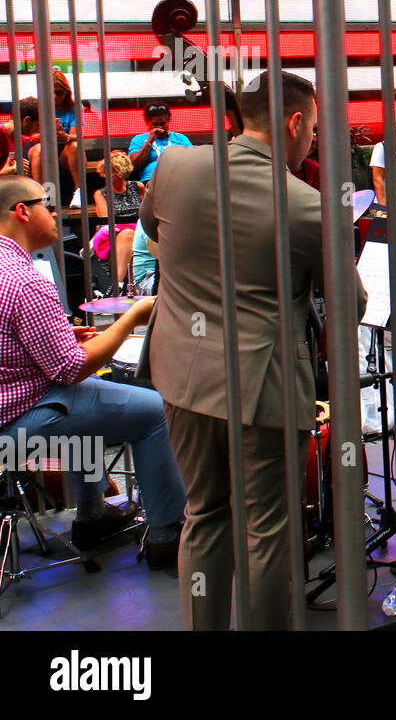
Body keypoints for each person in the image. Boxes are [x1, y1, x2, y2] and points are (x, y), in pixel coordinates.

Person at [141, 71, 366, 630]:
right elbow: (349, 307)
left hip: (181, 377)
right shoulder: (309, 206)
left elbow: (152, 230)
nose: (313, 140)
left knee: (205, 516)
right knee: (267, 534)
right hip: (261, 389)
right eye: (313, 129)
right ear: (294, 124)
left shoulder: (173, 167)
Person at [0, 175, 185, 568]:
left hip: (9, 410)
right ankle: (168, 536)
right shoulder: (25, 280)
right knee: (152, 409)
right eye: (46, 206)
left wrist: (60, 333)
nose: (54, 214)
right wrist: (133, 314)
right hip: (18, 425)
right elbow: (71, 367)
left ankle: (93, 516)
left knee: (95, 402)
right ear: (22, 212)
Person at [91, 150, 147, 286]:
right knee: (128, 235)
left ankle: (130, 287)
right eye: (106, 171)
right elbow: (105, 220)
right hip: (114, 233)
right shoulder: (101, 193)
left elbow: (147, 212)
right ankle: (119, 284)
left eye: (112, 171)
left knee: (134, 238)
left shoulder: (137, 187)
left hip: (139, 230)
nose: (107, 175)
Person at [128, 103, 193, 184]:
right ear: (148, 122)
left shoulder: (180, 138)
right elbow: (133, 165)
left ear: (168, 121)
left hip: (179, 179)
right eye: (155, 124)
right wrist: (149, 141)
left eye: (163, 124)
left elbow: (193, 160)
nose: (159, 127)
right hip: (151, 181)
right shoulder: (139, 139)